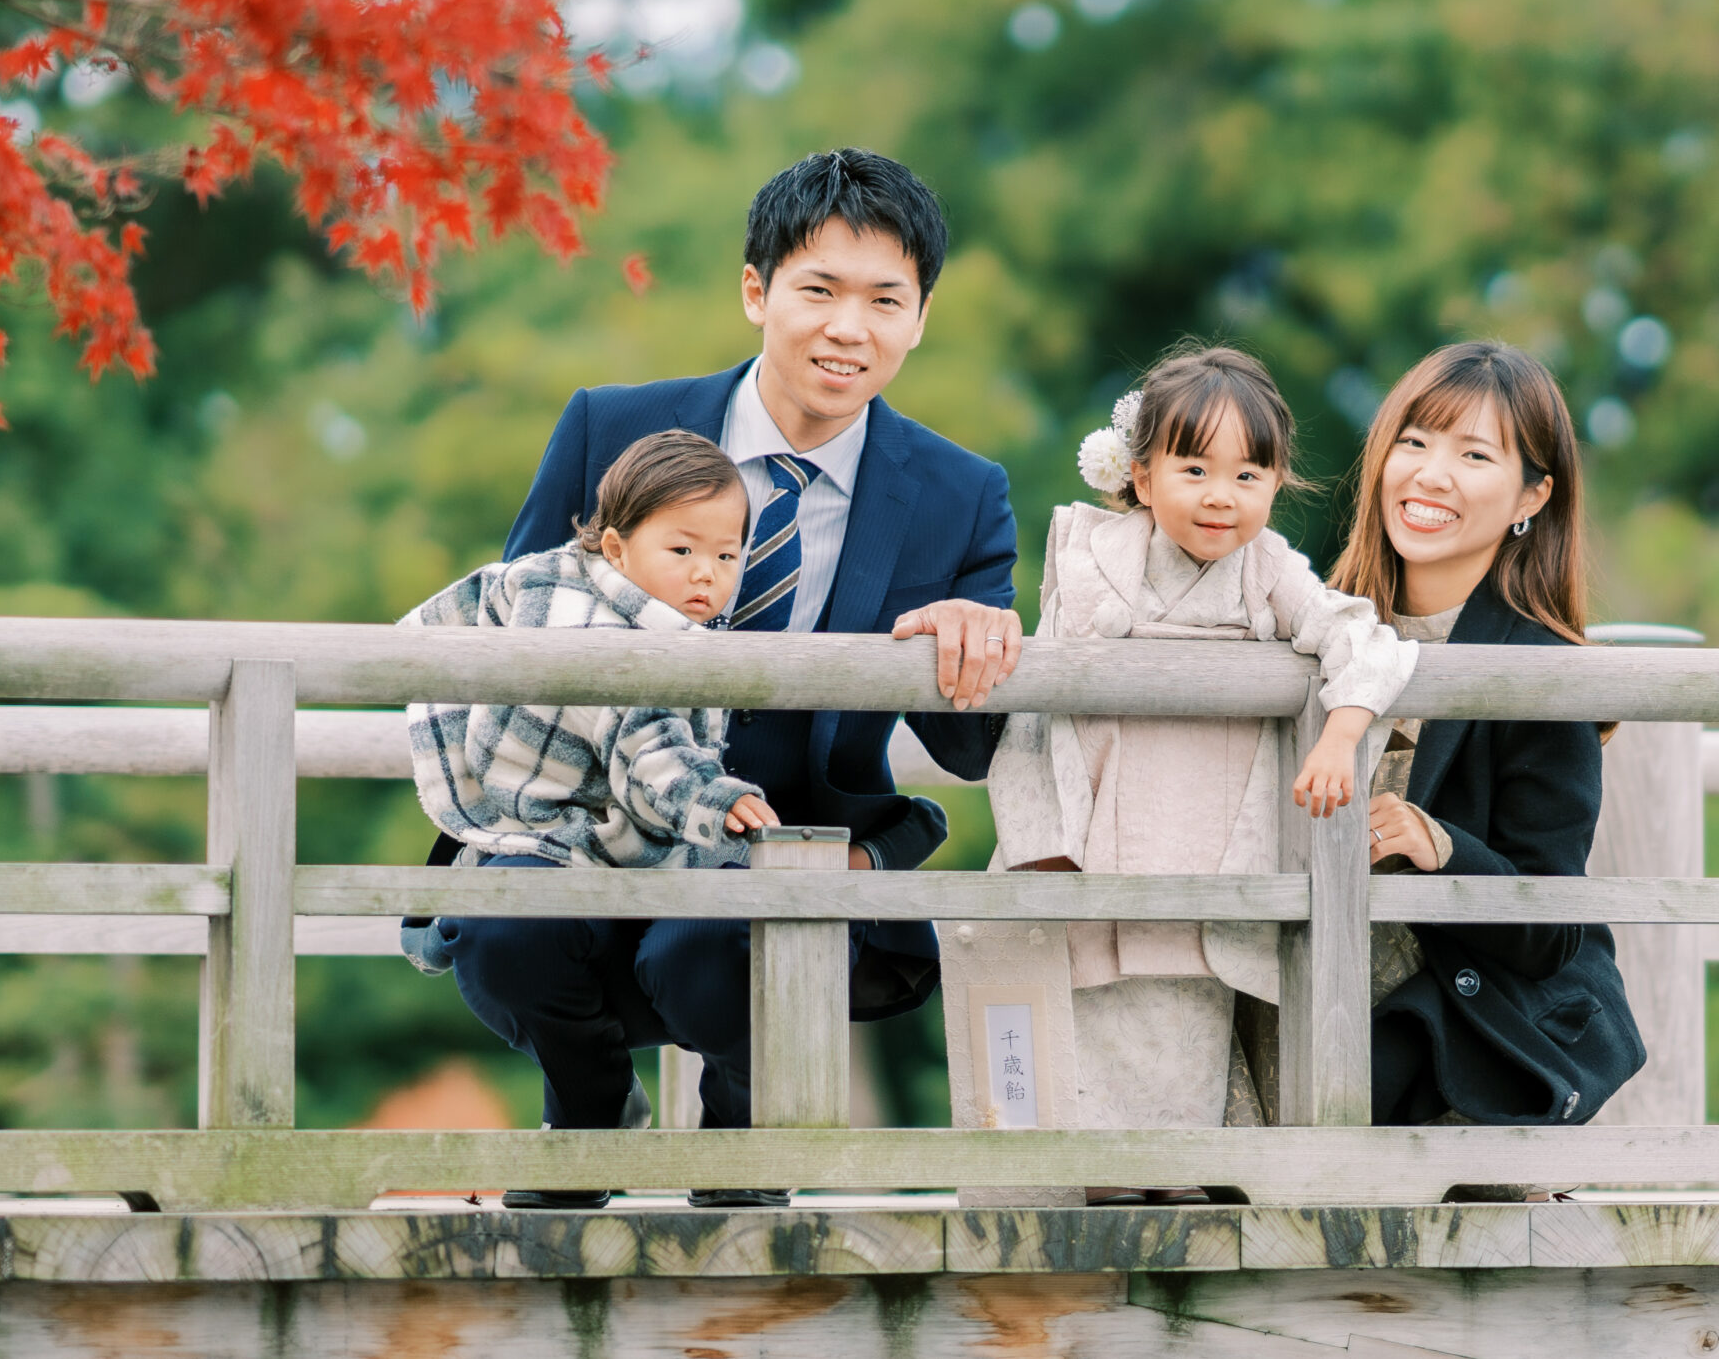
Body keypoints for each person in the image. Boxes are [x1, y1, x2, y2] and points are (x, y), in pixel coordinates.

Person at [437, 148, 1026, 1210]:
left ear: (920, 316)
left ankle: (743, 1141)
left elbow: (973, 749)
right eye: (819, 289)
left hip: (788, 854)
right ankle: (587, 1122)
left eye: (885, 299)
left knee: (726, 930)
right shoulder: (609, 429)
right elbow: (514, 634)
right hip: (595, 821)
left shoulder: (961, 494)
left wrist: (978, 631)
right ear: (756, 291)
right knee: (497, 918)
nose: (850, 327)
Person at [985, 345, 1415, 1204]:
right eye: (1194, 468)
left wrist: (1342, 732)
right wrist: (1038, 832)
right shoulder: (1087, 552)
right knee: (1084, 1031)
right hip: (1100, 831)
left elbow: (1361, 634)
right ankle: (1085, 1192)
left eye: (1249, 473)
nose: (1222, 495)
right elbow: (1039, 708)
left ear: (1277, 482)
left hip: (1205, 848)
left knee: (1182, 1033)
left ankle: (1172, 1187)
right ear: (1142, 477)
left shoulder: (1269, 571)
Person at [1326, 340, 1645, 1133]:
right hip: (1307, 985)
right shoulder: (1312, 624)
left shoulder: (1544, 671)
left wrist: (1441, 846)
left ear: (1532, 494)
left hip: (1438, 1032)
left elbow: (1550, 929)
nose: (1432, 475)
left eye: (1473, 454)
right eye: (1415, 442)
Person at [400, 431, 780, 898]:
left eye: (725, 556)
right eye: (682, 551)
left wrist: (408, 643)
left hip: (562, 789)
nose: (707, 572)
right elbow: (646, 739)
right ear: (617, 549)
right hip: (540, 809)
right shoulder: (596, 631)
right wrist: (710, 799)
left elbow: (477, 597)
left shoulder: (558, 572)